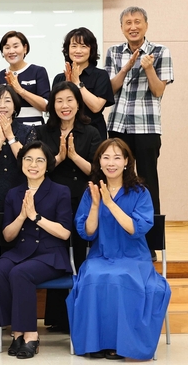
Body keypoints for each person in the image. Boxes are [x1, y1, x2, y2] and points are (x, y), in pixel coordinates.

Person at [67, 138, 171, 360]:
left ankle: (119, 344)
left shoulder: (140, 192)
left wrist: (110, 203)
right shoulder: (91, 192)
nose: (111, 163)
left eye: (116, 157)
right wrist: (96, 205)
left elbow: (136, 228)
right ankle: (95, 343)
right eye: (106, 157)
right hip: (101, 255)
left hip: (134, 257)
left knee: (121, 277)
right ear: (99, 162)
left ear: (126, 162)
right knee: (92, 276)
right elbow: (87, 233)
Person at [0, 141, 72, 359]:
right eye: (28, 159)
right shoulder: (14, 193)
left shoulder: (60, 191)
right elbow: (8, 236)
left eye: (39, 160)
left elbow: (65, 233)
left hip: (51, 254)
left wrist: (35, 217)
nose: (33, 165)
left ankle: (31, 335)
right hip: (21, 251)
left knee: (20, 273)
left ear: (48, 165)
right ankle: (17, 331)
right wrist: (21, 216)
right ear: (22, 163)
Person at [36, 81, 102, 331]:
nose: (65, 105)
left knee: (81, 253)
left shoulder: (91, 132)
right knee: (58, 253)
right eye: (59, 101)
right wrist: (60, 157)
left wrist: (73, 156)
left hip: (83, 199)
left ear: (78, 103)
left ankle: (83, 315)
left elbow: (97, 171)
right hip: (52, 201)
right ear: (53, 105)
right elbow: (37, 167)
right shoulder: (44, 132)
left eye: (69, 100)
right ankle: (58, 318)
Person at [104, 7, 173, 216]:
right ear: (122, 27)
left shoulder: (160, 51)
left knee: (147, 180)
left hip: (147, 127)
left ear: (146, 25)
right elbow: (109, 90)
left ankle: (151, 233)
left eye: (137, 22)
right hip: (118, 125)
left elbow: (158, 91)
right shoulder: (114, 52)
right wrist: (126, 68)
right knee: (117, 178)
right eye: (128, 23)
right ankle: (120, 224)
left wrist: (149, 68)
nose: (133, 27)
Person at [0, 86, 37, 220]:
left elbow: (29, 163)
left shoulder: (28, 131)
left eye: (7, 101)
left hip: (21, 192)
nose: (2, 105)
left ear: (15, 106)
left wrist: (10, 136)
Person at [52, 27, 114, 140]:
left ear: (91, 50)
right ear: (67, 49)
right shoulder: (59, 78)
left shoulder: (101, 75)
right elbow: (54, 108)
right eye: (74, 46)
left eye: (83, 46)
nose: (78, 51)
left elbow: (96, 107)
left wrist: (77, 83)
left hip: (93, 133)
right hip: (64, 133)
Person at [0, 31, 50, 126]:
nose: (11, 51)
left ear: (25, 48)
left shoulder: (38, 71)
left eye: (15, 46)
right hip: (5, 126)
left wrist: (20, 90)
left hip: (34, 127)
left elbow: (46, 106)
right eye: (7, 47)